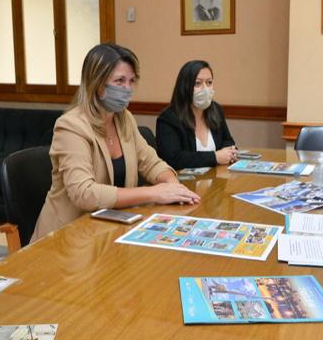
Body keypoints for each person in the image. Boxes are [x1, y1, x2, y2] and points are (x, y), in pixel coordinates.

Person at [31, 43, 200, 242]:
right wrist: (153, 193)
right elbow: (84, 193)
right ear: (97, 84)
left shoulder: (124, 118)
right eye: (119, 81)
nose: (127, 89)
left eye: (131, 81)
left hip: (109, 231)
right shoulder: (70, 126)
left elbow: (150, 162)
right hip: (67, 238)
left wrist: (172, 186)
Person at [155, 60, 238, 169]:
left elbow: (227, 140)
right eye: (197, 83)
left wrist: (230, 152)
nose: (205, 89)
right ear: (184, 86)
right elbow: (173, 158)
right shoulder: (168, 118)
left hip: (216, 179)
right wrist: (215, 157)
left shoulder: (216, 110)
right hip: (183, 183)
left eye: (209, 82)